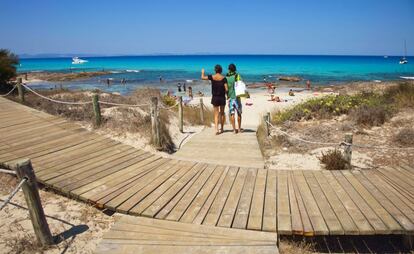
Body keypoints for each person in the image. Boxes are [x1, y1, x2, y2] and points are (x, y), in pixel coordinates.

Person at [201, 65, 227, 135]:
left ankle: (216, 129)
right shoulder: (224, 78)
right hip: (222, 97)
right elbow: (226, 89)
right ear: (221, 70)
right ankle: (221, 128)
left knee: (216, 114)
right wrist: (227, 94)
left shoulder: (212, 77)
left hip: (215, 97)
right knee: (222, 113)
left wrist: (203, 72)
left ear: (215, 70)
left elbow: (202, 78)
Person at [226, 63, 243, 133]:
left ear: (229, 69)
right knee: (239, 113)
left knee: (232, 113)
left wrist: (227, 96)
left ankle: (233, 129)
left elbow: (226, 88)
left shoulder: (226, 78)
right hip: (237, 97)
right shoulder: (237, 76)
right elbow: (241, 84)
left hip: (230, 97)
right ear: (235, 69)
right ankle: (239, 129)